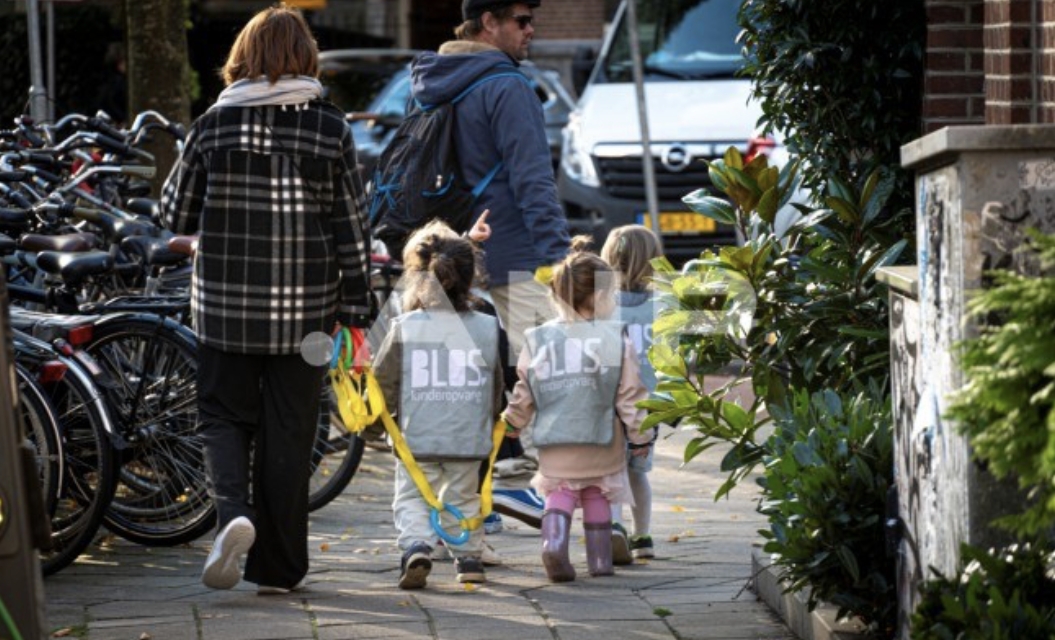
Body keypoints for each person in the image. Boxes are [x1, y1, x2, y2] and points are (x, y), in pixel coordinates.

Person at [160, 6, 371, 595]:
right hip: (307, 318)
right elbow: (351, 227)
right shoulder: (330, 128)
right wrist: (358, 309)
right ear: (305, 57)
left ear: (241, 59)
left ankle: (233, 516)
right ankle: (278, 568)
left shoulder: (210, 126)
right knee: (292, 429)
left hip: (225, 309)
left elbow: (172, 214)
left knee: (223, 415)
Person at [410, 0, 571, 526]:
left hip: (455, 254)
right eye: (521, 20)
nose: (532, 30)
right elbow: (532, 178)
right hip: (515, 256)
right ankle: (532, 488)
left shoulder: (438, 80)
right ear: (489, 23)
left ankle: (467, 500)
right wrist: (557, 258)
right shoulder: (507, 86)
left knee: (471, 382)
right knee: (547, 375)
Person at [502, 238, 654, 582]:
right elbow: (630, 395)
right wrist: (640, 435)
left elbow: (524, 387)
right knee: (597, 492)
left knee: (560, 493)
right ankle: (600, 561)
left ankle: (553, 544)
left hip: (555, 442)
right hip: (601, 441)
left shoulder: (537, 337)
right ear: (601, 297)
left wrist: (514, 421)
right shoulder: (615, 338)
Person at [373, 221, 505, 589]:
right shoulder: (487, 326)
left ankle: (417, 547)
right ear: (470, 277)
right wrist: (491, 418)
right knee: (465, 497)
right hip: (468, 437)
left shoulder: (406, 326)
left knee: (412, 497)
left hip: (417, 438)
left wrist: (377, 424)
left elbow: (382, 381)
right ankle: (468, 558)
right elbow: (495, 383)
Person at [600, 225, 663, 562]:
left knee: (612, 469)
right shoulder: (665, 304)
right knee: (639, 471)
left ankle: (614, 528)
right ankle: (643, 537)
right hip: (650, 405)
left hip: (610, 402)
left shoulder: (601, 305)